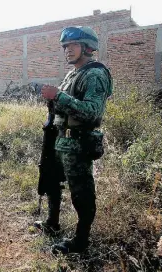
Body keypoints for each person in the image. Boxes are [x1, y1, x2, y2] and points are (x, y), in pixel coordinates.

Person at [34, 26, 113, 255]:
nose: (67, 50)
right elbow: (65, 105)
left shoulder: (95, 74)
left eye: (72, 45)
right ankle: (52, 224)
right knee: (51, 181)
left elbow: (92, 112)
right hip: (60, 140)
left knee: (81, 194)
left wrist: (57, 95)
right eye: (65, 47)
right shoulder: (73, 73)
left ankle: (80, 242)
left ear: (88, 48)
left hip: (79, 144)